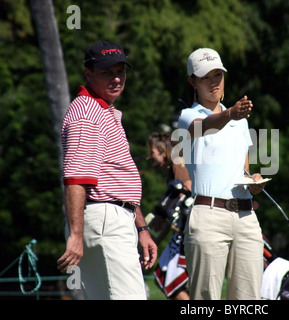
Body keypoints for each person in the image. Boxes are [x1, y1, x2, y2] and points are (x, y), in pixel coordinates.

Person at [56, 40, 158, 300]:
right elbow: (76, 179)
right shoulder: (87, 113)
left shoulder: (100, 110)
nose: (116, 78)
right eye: (106, 72)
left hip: (109, 219)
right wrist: (76, 235)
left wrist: (141, 228)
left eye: (120, 71)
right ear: (88, 73)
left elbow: (116, 180)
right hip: (103, 221)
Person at [177, 47, 267, 300]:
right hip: (208, 216)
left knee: (248, 300)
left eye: (218, 74)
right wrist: (230, 114)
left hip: (246, 217)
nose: (213, 82)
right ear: (192, 81)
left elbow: (244, 171)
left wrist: (255, 182)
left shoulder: (240, 120)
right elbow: (203, 127)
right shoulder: (188, 116)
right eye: (205, 76)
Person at [146, 131, 192, 300]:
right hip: (185, 231)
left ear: (163, 150)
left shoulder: (178, 163)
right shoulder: (176, 167)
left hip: (188, 233)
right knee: (167, 279)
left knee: (166, 279)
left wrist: (165, 212)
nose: (150, 158)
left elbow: (188, 191)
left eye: (152, 153)